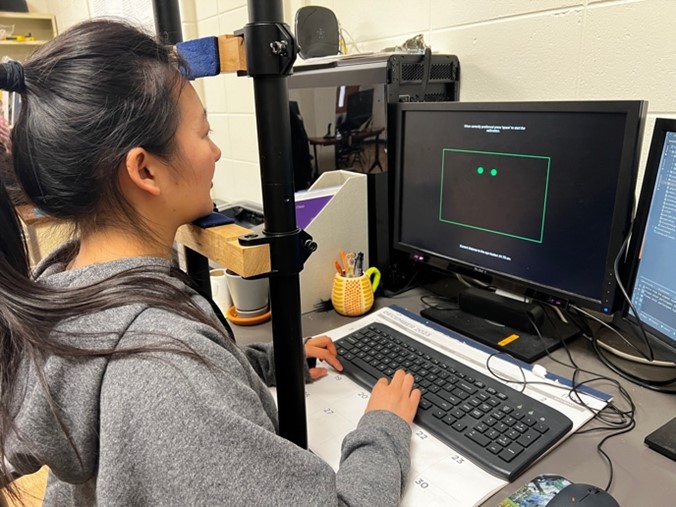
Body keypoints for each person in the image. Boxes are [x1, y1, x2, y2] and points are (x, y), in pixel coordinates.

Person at [0, 19, 420, 506]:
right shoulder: (165, 379)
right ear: (145, 169)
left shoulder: (69, 284)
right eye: (204, 133)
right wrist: (382, 431)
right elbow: (173, 397)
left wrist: (256, 365)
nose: (216, 151)